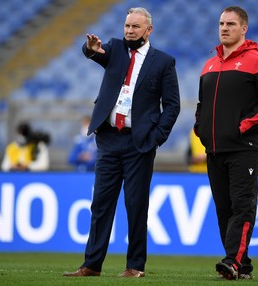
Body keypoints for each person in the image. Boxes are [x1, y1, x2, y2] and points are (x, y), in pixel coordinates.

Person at [63, 7, 180, 278]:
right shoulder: (114, 49)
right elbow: (93, 51)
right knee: (101, 203)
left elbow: (172, 106)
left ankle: (135, 266)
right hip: (108, 140)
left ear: (148, 30)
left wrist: (156, 137)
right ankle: (92, 265)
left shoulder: (163, 62)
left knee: (136, 206)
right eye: (127, 26)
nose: (129, 31)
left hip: (139, 144)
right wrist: (89, 48)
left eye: (135, 27)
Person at [193, 6, 258, 280]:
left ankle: (232, 261)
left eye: (231, 23)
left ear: (244, 28)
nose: (224, 28)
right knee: (224, 210)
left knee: (242, 206)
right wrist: (200, 128)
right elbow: (201, 104)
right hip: (214, 148)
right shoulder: (209, 65)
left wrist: (242, 126)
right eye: (221, 23)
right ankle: (242, 266)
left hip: (244, 148)